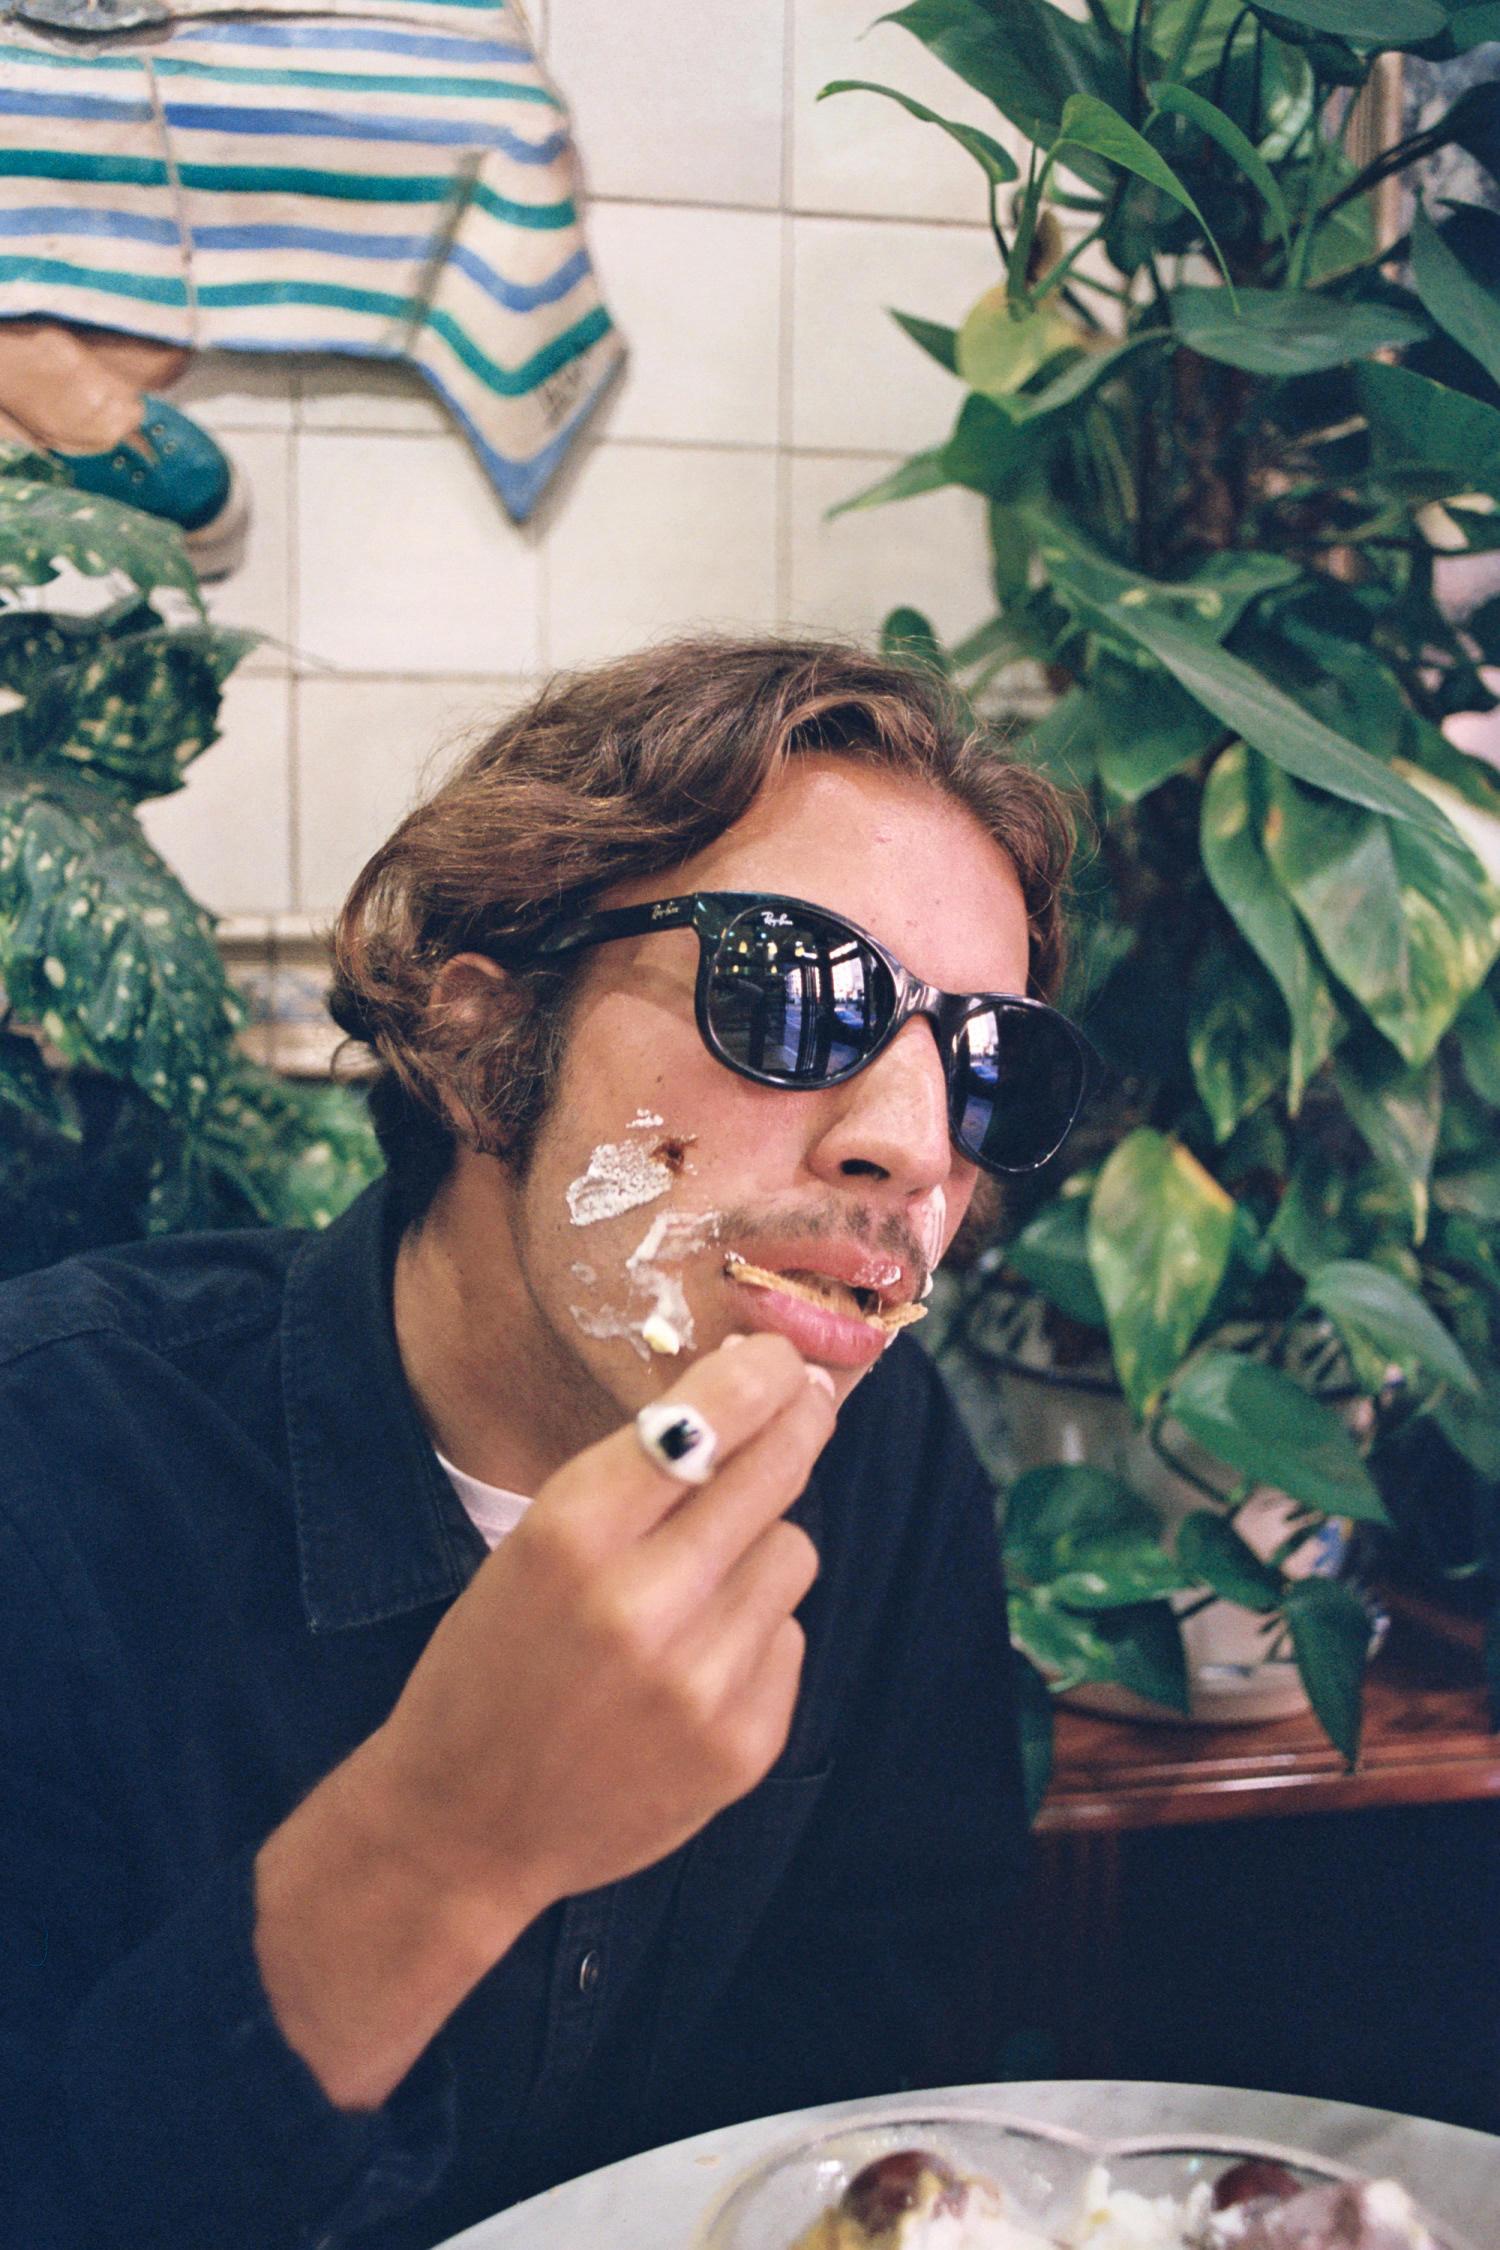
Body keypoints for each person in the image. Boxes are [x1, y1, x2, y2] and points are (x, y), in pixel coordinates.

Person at [0, 636, 1085, 2250]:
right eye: (793, 996)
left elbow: (866, 2026)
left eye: (985, 1068)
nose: (916, 1150)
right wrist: (443, 1834)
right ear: (484, 1039)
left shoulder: (886, 1457)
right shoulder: (55, 1470)